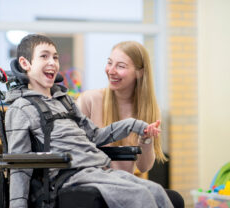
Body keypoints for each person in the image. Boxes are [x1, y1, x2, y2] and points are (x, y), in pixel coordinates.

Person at [5, 34, 173, 208]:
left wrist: (134, 124)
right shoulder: (21, 108)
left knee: (156, 191)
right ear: (25, 63)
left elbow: (95, 136)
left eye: (55, 57)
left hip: (97, 168)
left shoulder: (65, 101)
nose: (52, 62)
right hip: (69, 175)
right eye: (44, 56)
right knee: (140, 196)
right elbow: (19, 163)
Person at [76, 41, 184, 208]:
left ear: (139, 73)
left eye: (120, 66)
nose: (111, 71)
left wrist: (146, 140)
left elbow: (144, 166)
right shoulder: (89, 100)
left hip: (124, 185)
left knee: (175, 199)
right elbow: (74, 150)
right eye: (109, 63)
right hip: (93, 184)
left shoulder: (148, 109)